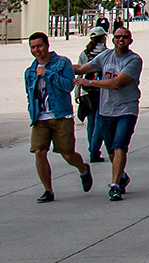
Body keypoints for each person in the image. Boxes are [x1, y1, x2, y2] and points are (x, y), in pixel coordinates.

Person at [73, 25, 142, 201]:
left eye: (125, 37)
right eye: (118, 37)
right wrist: (57, 64)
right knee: (111, 150)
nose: (121, 40)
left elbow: (117, 83)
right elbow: (82, 69)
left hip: (126, 109)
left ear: (130, 40)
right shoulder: (105, 56)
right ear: (112, 39)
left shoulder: (134, 60)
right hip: (107, 110)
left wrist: (89, 84)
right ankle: (122, 176)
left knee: (120, 146)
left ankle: (115, 185)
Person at [25, 32, 93, 202]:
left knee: (67, 154)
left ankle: (83, 168)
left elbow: (67, 86)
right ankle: (48, 190)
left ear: (47, 45)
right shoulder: (30, 71)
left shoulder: (62, 63)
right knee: (39, 152)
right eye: (33, 47)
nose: (36, 50)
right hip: (40, 117)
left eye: (39, 46)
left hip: (61, 115)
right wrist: (31, 111)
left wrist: (47, 73)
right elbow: (29, 94)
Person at [77, 27, 108, 161]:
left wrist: (77, 94)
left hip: (87, 91)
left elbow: (79, 72)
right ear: (103, 38)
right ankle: (95, 151)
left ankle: (92, 149)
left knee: (90, 123)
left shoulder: (84, 54)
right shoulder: (107, 53)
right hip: (102, 90)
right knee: (99, 122)